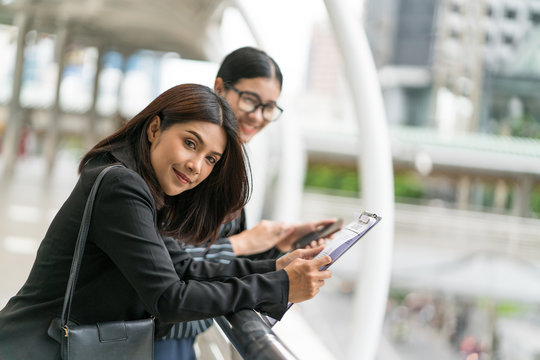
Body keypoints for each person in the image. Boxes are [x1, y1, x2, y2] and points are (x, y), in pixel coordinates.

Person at [0, 83, 332, 359]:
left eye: (210, 159)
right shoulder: (122, 187)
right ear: (155, 128)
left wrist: (273, 269)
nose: (196, 166)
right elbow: (170, 299)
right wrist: (281, 286)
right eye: (190, 143)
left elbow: (184, 269)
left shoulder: (144, 188)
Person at [155, 47, 338, 359]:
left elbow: (213, 261)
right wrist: (244, 243)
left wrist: (280, 246)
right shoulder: (187, 168)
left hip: (179, 332)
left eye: (269, 107)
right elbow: (170, 258)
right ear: (219, 88)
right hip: (155, 333)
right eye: (250, 100)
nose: (257, 115)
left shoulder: (229, 170)